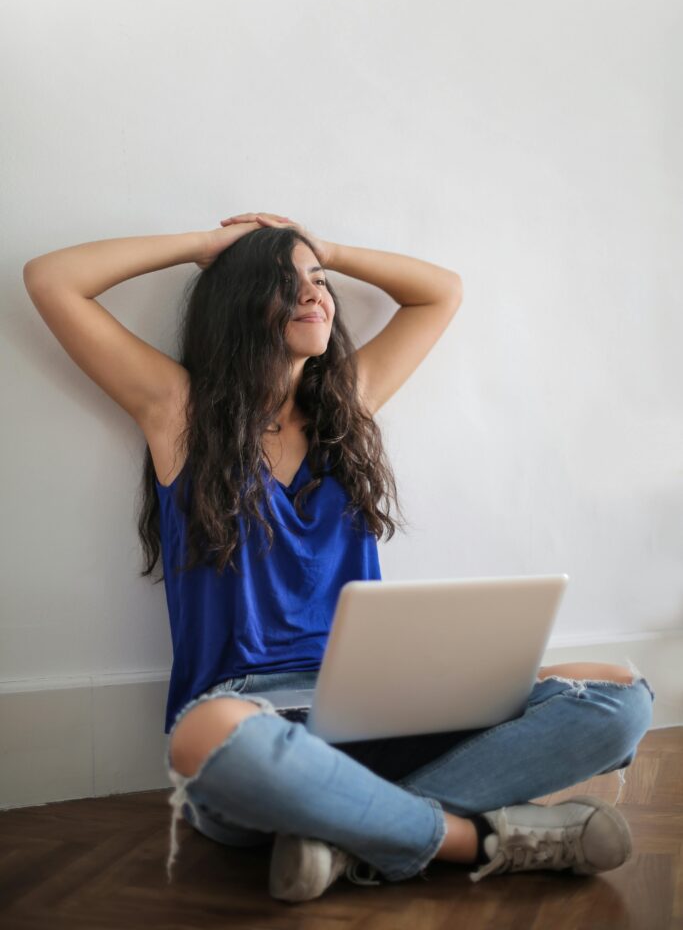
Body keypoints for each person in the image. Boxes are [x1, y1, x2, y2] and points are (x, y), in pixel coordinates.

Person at [23, 212, 655, 903]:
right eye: (284, 282)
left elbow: (440, 291)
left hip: (380, 710)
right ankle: (477, 839)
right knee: (203, 738)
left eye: (319, 282)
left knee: (617, 693)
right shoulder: (179, 410)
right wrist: (207, 246)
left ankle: (339, 832)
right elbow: (52, 280)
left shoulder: (346, 408)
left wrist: (326, 248)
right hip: (250, 719)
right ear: (235, 301)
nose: (315, 293)